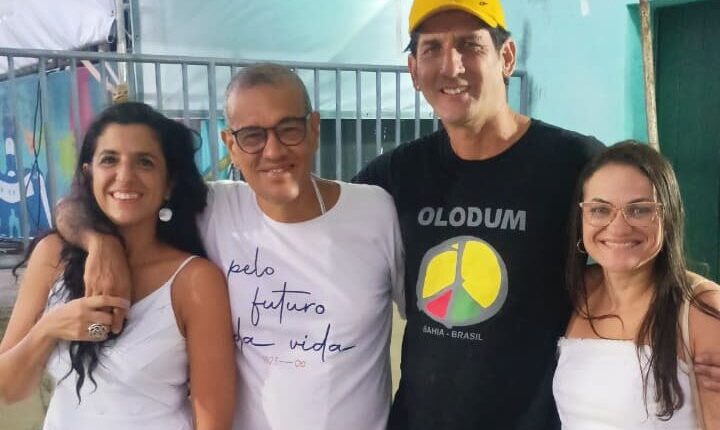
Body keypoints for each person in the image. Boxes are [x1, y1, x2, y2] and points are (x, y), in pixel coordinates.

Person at [53, 64, 404, 430]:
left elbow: (426, 325)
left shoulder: (374, 211)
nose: (273, 150)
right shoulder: (215, 209)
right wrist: (100, 242)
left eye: (289, 129)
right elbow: (71, 207)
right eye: (252, 136)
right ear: (230, 145)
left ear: (314, 128)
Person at [0, 102, 236, 430]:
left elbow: (213, 421)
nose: (125, 176)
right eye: (109, 159)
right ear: (89, 174)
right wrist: (50, 327)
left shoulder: (195, 280)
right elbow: (9, 389)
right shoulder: (53, 255)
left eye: (145, 162)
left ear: (168, 183)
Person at [553, 141, 720, 428]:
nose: (618, 227)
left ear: (668, 215)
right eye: (600, 210)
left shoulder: (701, 308)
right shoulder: (578, 291)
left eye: (639, 210)